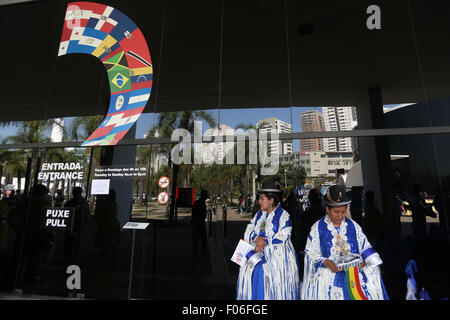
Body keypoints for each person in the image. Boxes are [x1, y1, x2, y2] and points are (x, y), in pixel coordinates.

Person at [301, 184, 389, 300]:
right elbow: (311, 253)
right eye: (336, 212)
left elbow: (365, 246)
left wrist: (368, 262)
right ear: (327, 209)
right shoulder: (318, 228)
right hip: (330, 277)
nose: (340, 216)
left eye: (343, 211)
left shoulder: (353, 226)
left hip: (355, 276)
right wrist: (327, 262)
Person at [236, 181, 300, 300]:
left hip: (275, 265)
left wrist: (263, 243)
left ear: (271, 201)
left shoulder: (283, 215)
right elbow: (249, 228)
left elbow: (283, 235)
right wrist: (255, 238)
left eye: (262, 199)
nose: (259, 201)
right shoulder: (259, 215)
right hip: (255, 259)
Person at [63, 187, 90, 265]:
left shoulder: (70, 203)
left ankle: (69, 259)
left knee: (71, 244)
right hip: (77, 227)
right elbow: (86, 215)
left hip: (74, 227)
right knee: (77, 244)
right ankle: (76, 259)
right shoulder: (83, 203)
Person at [94, 189, 120, 255]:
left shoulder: (108, 203)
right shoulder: (111, 203)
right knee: (108, 236)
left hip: (108, 222)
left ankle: (108, 248)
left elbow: (101, 212)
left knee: (108, 236)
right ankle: (109, 247)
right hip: (109, 221)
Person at [299, 188, 325, 253]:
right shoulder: (325, 213)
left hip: (310, 248)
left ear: (310, 199)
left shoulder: (306, 214)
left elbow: (302, 233)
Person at [191, 190, 208, 256]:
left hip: (199, 222)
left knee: (200, 237)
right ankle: (196, 251)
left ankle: (200, 250)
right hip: (198, 222)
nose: (207, 196)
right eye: (206, 195)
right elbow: (196, 213)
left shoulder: (199, 202)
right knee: (198, 237)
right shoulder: (200, 203)